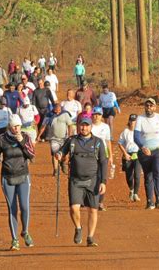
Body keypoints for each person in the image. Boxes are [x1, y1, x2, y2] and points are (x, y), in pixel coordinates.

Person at [56, 117, 108, 247]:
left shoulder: (98, 142)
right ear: (79, 126)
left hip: (93, 180)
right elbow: (62, 151)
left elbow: (103, 162)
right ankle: (78, 228)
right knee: (74, 208)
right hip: (75, 180)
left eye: (86, 125)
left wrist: (103, 181)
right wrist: (59, 154)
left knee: (93, 210)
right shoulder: (72, 140)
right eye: (82, 125)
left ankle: (90, 237)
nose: (84, 128)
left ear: (91, 127)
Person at [0, 114, 35, 251]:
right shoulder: (2, 138)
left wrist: (22, 141)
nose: (17, 128)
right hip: (7, 177)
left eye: (19, 126)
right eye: (14, 126)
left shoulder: (26, 136)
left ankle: (25, 232)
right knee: (12, 209)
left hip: (23, 175)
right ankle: (15, 239)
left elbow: (32, 155)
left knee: (25, 206)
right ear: (10, 126)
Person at [37, 103, 74, 176]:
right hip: (54, 138)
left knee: (65, 154)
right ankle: (56, 170)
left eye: (58, 111)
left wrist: (70, 136)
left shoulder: (65, 114)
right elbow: (43, 126)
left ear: (61, 109)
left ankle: (63, 163)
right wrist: (38, 136)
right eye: (55, 111)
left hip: (64, 138)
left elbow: (70, 125)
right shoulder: (49, 115)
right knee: (55, 154)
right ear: (53, 109)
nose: (57, 112)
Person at [91, 107, 113, 211]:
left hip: (103, 154)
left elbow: (108, 141)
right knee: (92, 176)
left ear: (101, 115)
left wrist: (111, 155)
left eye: (99, 114)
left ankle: (100, 202)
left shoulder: (106, 127)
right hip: (91, 155)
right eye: (95, 114)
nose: (97, 116)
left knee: (102, 177)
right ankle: (91, 199)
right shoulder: (89, 126)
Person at [118, 114, 141, 202]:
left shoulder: (140, 132)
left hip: (138, 155)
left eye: (134, 121)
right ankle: (131, 189)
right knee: (129, 176)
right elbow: (120, 143)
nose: (132, 123)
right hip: (127, 155)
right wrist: (125, 154)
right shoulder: (125, 132)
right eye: (131, 121)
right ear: (129, 121)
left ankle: (135, 193)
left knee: (137, 175)